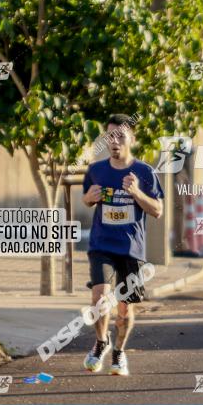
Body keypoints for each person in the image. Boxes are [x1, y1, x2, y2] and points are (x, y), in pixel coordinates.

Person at [81, 114, 164, 375]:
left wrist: (137, 192)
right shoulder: (96, 170)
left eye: (120, 136)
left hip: (131, 249)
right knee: (99, 297)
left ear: (132, 139)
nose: (114, 141)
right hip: (102, 245)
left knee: (125, 310)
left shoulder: (144, 172)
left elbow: (158, 210)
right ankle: (100, 342)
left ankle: (118, 351)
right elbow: (86, 199)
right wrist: (88, 198)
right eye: (110, 136)